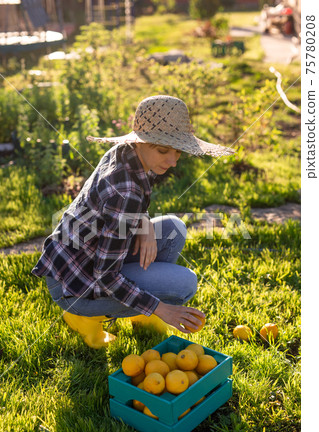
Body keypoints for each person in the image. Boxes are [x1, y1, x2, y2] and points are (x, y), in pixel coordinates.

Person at [31, 95, 234, 349]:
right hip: (75, 281)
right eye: (163, 151)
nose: (172, 161)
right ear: (140, 142)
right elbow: (106, 276)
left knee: (174, 229)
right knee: (184, 285)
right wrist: (162, 309)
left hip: (84, 256)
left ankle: (137, 314)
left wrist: (145, 223)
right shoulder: (124, 192)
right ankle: (85, 316)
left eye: (177, 151)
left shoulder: (126, 153)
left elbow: (125, 211)